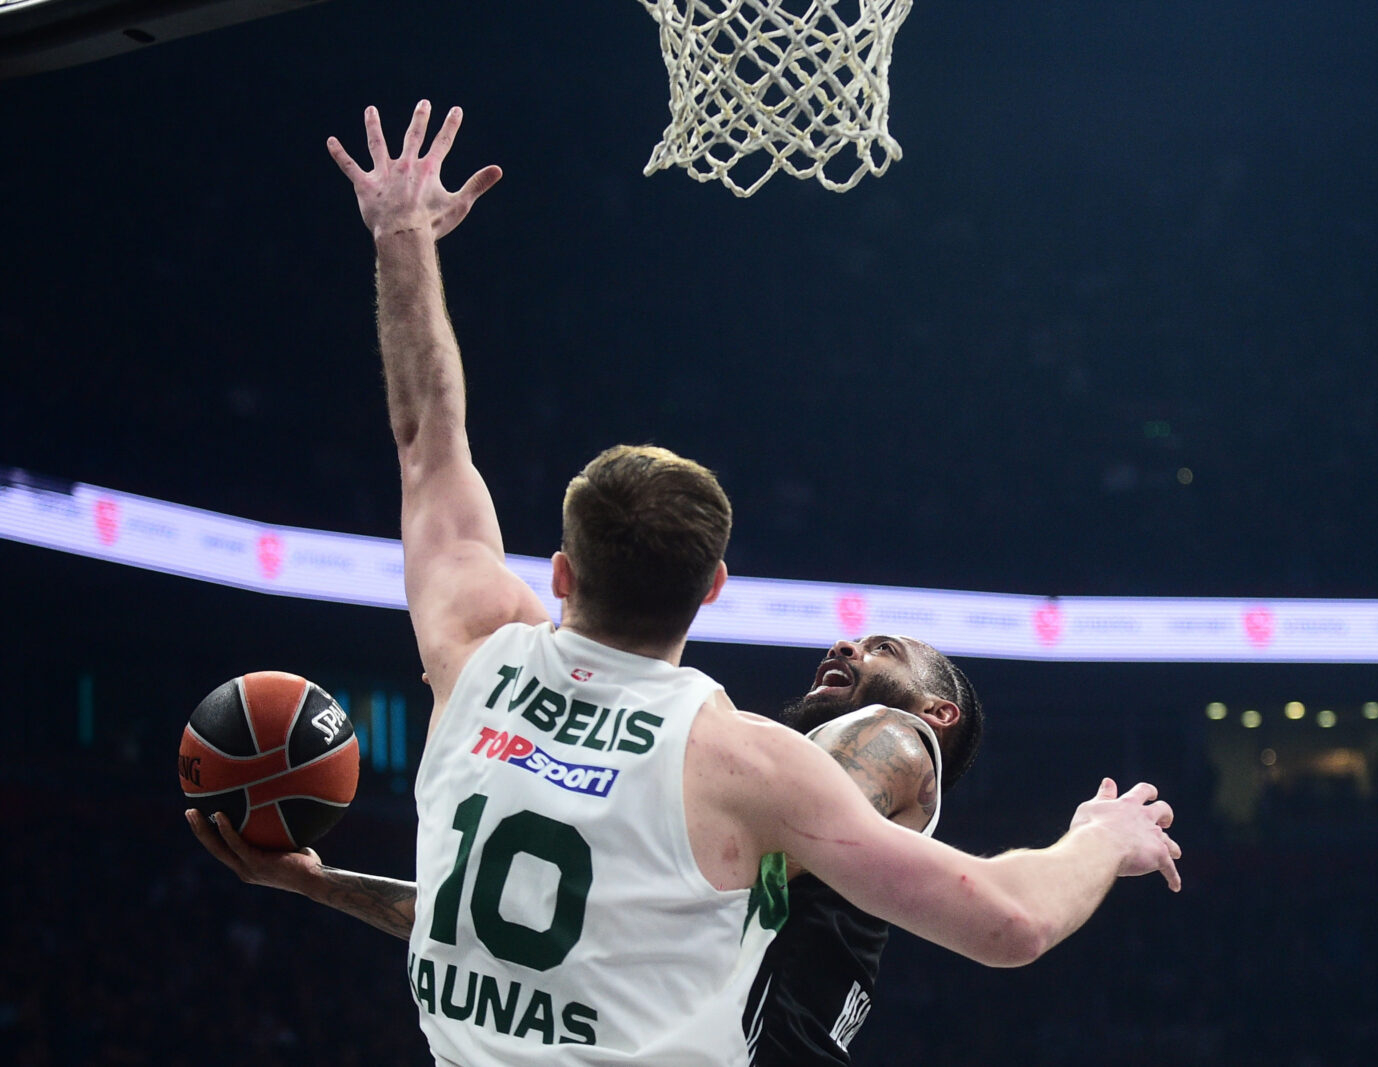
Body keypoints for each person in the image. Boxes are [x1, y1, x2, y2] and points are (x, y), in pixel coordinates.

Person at [211, 100, 1180, 1066]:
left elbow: (428, 440)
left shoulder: (477, 651)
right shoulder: (741, 768)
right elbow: (1008, 921)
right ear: (713, 586)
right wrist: (1102, 834)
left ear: (558, 573)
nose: (848, 643)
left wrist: (402, 239)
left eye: (883, 645)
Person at [190, 632, 986, 1065]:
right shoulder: (776, 799)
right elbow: (505, 925)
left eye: (881, 649)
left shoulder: (895, 741)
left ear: (938, 712)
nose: (847, 645)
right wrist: (319, 882)